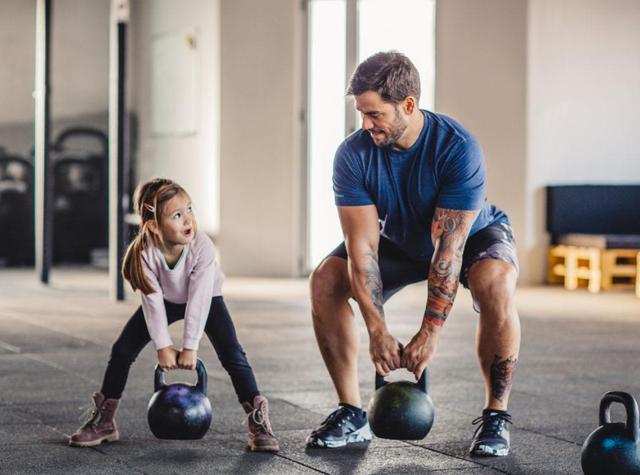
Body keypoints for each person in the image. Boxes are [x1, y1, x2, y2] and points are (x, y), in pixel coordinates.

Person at [306, 51, 520, 457]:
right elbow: (362, 248)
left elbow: (448, 250)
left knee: (495, 282)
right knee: (325, 280)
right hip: (402, 239)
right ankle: (352, 413)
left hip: (471, 236)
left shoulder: (457, 148)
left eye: (374, 114)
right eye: (361, 114)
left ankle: (496, 416)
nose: (366, 124)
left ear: (407, 105)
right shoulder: (353, 155)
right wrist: (377, 329)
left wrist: (429, 333)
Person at [69, 178, 279, 452]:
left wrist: (189, 347)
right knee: (122, 350)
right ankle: (105, 421)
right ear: (153, 226)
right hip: (166, 300)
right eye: (177, 215)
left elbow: (199, 300)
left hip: (207, 298)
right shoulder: (145, 253)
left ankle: (257, 420)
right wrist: (163, 346)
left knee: (233, 355)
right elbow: (152, 301)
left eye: (189, 210)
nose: (188, 220)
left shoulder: (202, 247)